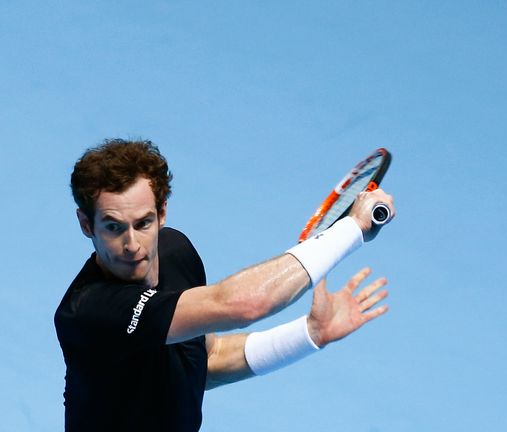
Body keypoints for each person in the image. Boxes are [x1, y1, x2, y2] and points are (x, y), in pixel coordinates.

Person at [54, 139, 395, 431]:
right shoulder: (90, 312)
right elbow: (244, 304)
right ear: (87, 225)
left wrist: (308, 334)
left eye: (143, 223)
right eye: (114, 227)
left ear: (162, 213)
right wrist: (352, 230)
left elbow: (208, 360)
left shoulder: (176, 253)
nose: (133, 245)